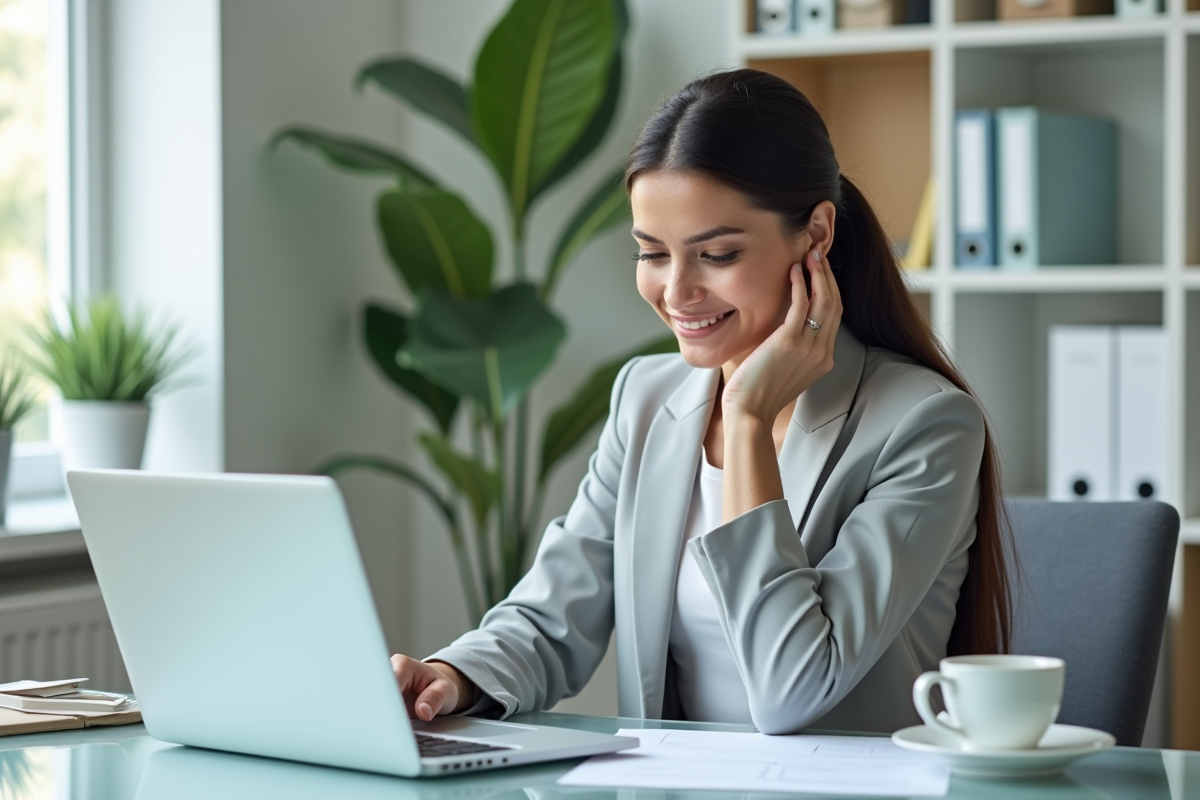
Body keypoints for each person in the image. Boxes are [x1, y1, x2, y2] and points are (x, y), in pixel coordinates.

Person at [389, 68, 1013, 735]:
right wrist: (450, 678)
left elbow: (794, 688)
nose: (676, 291)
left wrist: (745, 422)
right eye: (652, 253)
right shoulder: (646, 399)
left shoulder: (924, 424)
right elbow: (551, 620)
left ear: (817, 235)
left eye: (716, 254)